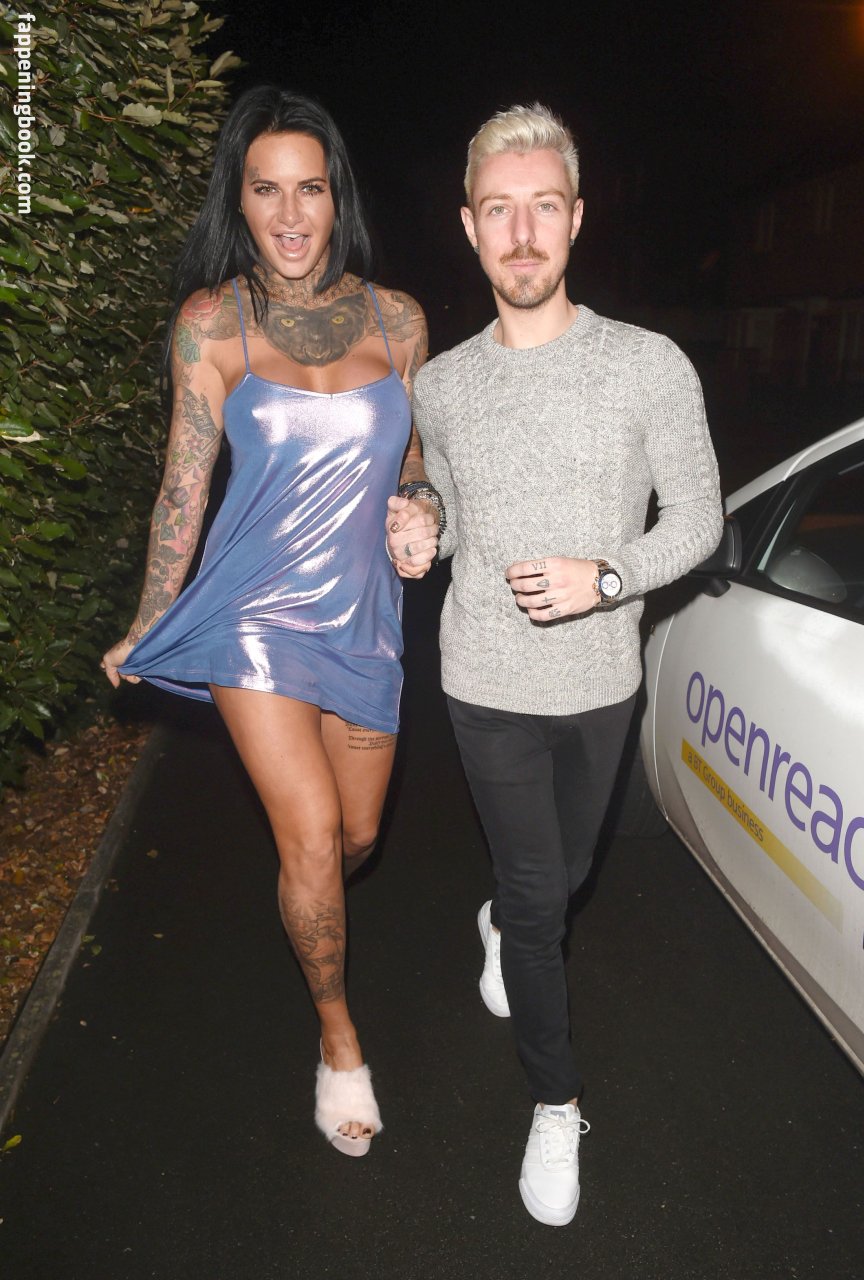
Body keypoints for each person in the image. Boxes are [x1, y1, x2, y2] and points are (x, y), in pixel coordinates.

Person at [389, 104, 723, 1224]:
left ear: (576, 219)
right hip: (483, 681)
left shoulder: (648, 365)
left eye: (543, 207)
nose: (522, 232)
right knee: (541, 902)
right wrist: (421, 525)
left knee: (565, 877)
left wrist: (608, 577)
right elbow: (444, 506)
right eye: (500, 210)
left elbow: (700, 521)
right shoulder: (441, 385)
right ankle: (554, 1100)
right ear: (469, 227)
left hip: (600, 682)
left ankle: (500, 920)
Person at [102, 86, 441, 1158]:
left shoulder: (399, 320)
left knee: (353, 837)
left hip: (365, 615)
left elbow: (416, 457)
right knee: (307, 837)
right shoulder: (213, 323)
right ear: (238, 202)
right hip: (253, 615)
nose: (290, 214)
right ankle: (338, 1037)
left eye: (310, 189)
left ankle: (312, 898)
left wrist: (421, 509)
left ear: (337, 198)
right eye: (266, 190)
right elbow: (182, 486)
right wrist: (148, 619)